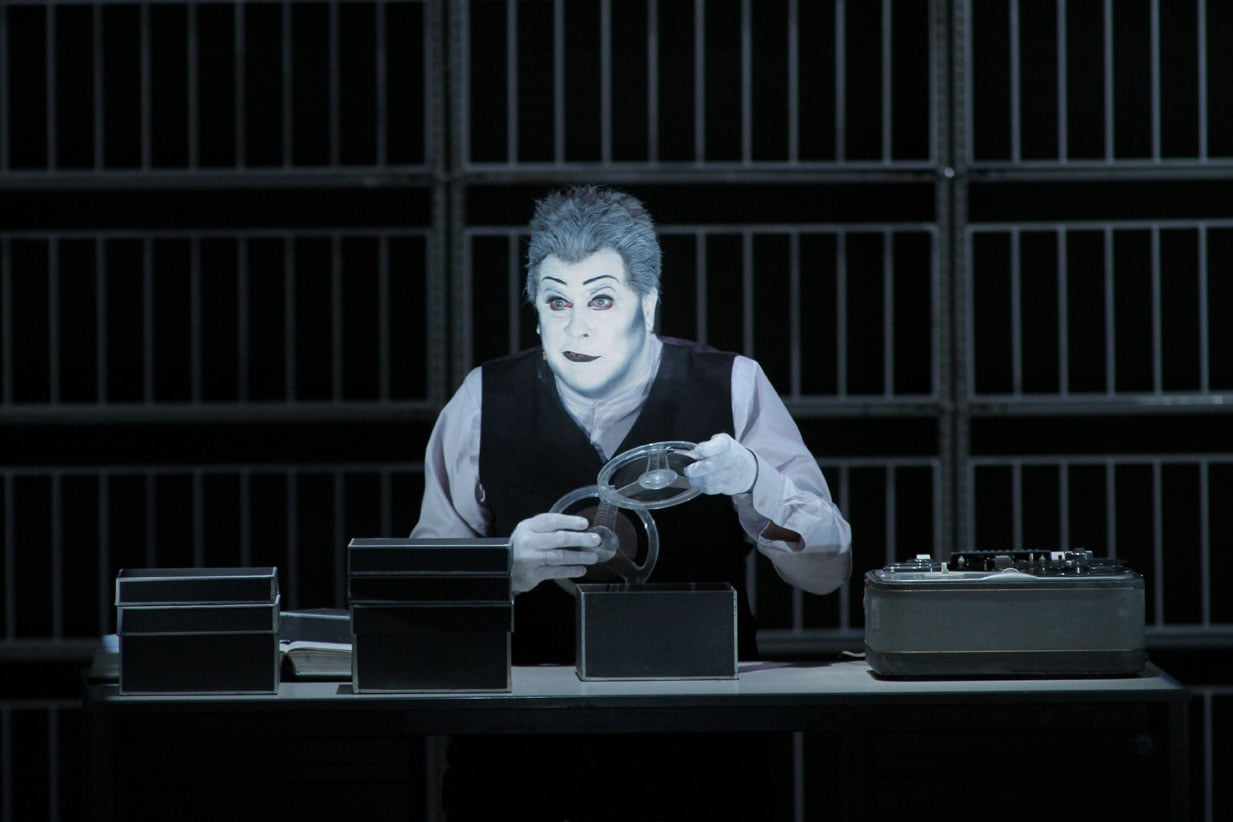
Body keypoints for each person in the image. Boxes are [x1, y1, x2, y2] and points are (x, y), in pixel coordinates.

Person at [411, 184, 852, 820]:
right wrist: (501, 568)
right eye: (556, 301)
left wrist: (757, 478)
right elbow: (421, 589)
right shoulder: (483, 398)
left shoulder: (732, 384)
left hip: (701, 748)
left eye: (601, 299)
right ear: (535, 311)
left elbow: (828, 570)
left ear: (648, 303)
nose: (576, 327)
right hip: (522, 746)